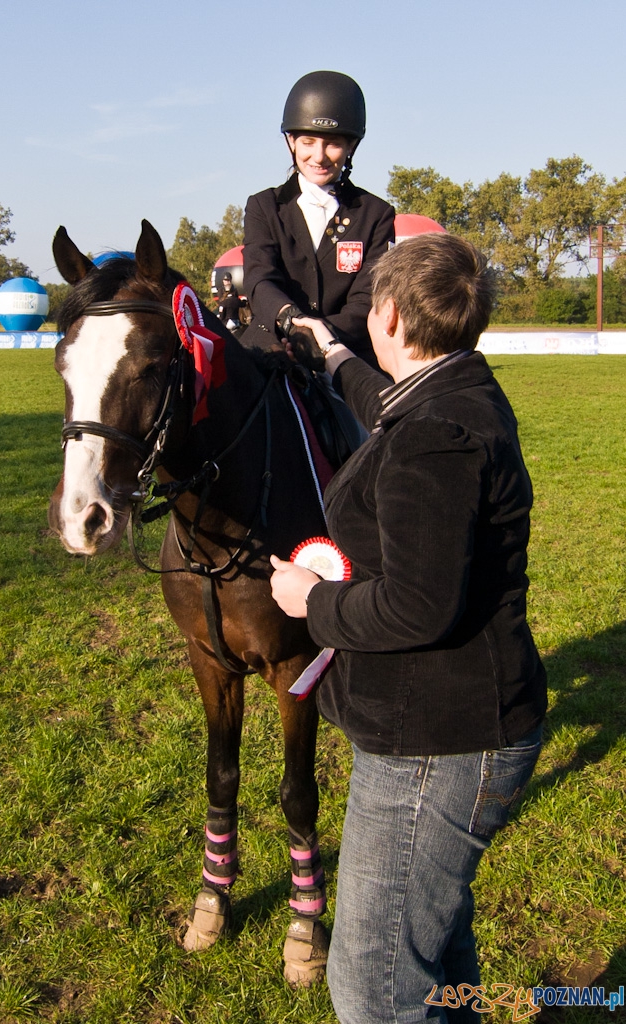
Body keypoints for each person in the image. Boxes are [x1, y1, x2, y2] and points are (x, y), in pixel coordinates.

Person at [269, 233, 547, 1023]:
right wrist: (328, 353)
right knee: (429, 949)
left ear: (386, 314)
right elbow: (383, 403)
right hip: (451, 726)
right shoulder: (449, 395)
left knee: (375, 984)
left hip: (439, 742)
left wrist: (309, 601)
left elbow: (416, 607)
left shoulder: (436, 436)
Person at [240, 70, 396, 366]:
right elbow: (260, 279)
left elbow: (367, 298)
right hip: (271, 348)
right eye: (308, 142)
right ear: (292, 142)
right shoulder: (263, 206)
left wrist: (322, 336)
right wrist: (291, 322)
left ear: (351, 146)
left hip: (345, 353)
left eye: (333, 143)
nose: (320, 156)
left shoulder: (376, 215)